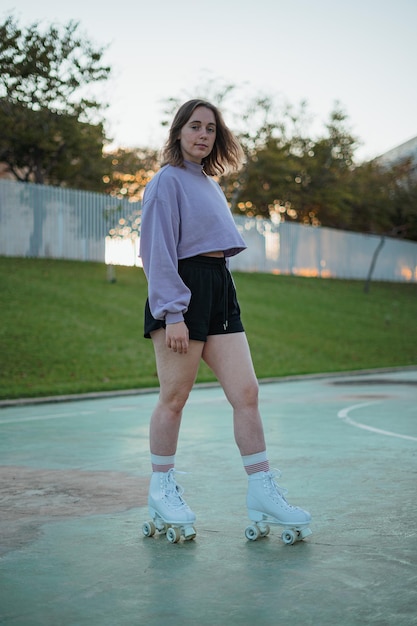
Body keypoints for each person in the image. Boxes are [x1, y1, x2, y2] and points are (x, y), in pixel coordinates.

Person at [139, 99, 311, 540]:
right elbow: (156, 253)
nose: (203, 135)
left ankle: (261, 489)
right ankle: (161, 488)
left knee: (246, 392)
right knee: (174, 398)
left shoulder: (207, 182)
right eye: (194, 127)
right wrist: (173, 312)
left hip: (219, 287)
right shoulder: (165, 182)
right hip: (183, 290)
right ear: (178, 132)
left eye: (210, 130)